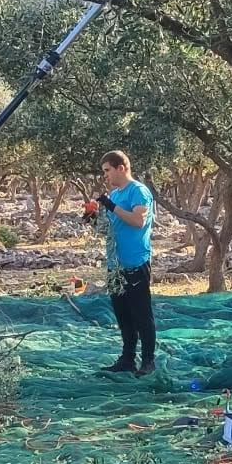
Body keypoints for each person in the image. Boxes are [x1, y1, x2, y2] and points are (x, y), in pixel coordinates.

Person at [83, 149, 156, 375]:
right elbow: (107, 229)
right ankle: (127, 358)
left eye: (107, 170)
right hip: (115, 266)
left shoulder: (138, 192)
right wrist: (92, 218)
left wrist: (111, 206)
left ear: (120, 168)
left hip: (135, 263)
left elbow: (137, 220)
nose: (105, 176)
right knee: (122, 314)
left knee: (141, 313)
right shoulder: (113, 195)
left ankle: (148, 360)